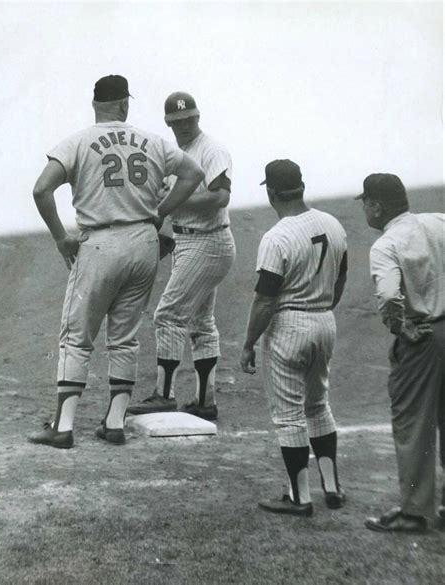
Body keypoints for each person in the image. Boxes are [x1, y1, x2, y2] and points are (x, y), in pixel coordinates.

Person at [28, 75, 204, 449]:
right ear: (125, 104)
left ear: (96, 106)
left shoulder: (77, 141)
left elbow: (42, 188)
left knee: (76, 336)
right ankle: (114, 423)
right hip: (143, 244)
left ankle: (63, 426)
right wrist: (160, 211)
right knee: (124, 338)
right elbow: (194, 174)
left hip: (100, 242)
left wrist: (61, 237)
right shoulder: (153, 140)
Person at [240, 159, 348, 517]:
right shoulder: (332, 223)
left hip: (289, 327)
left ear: (271, 192)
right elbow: (341, 276)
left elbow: (265, 298)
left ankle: (299, 498)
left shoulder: (277, 237)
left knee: (289, 416)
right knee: (318, 406)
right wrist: (323, 305)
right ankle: (332, 487)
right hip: (324, 320)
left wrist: (248, 343)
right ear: (301, 187)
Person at [127, 91, 236, 421]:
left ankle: (164, 395)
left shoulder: (211, 150)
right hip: (188, 241)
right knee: (201, 324)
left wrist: (175, 202)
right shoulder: (173, 153)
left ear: (198, 117)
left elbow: (220, 196)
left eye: (189, 119)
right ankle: (205, 401)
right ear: (167, 123)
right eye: (177, 122)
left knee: (168, 315)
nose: (184, 125)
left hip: (209, 240)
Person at [357, 173, 445, 533]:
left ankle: (413, 511)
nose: (364, 208)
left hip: (424, 337)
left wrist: (399, 326)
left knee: (412, 422)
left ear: (376, 206)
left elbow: (390, 295)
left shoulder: (386, 244)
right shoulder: (439, 220)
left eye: (366, 202)